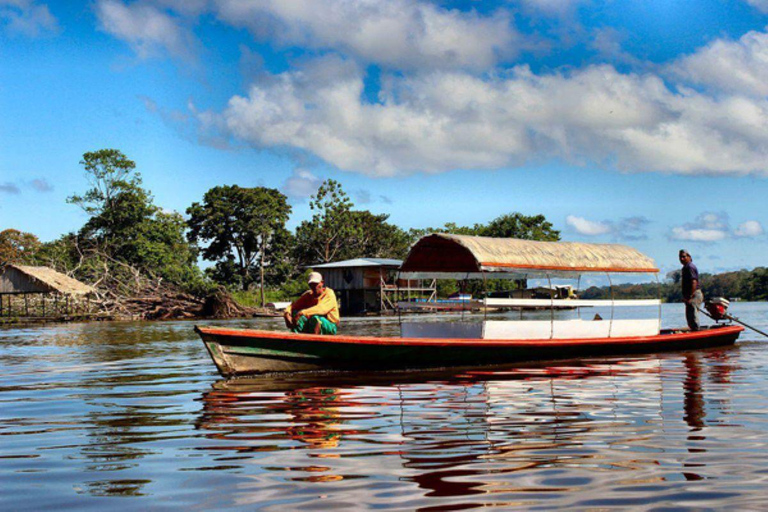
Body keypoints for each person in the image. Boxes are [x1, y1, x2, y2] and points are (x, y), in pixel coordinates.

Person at [679, 249, 703, 331]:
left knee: (693, 315)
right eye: (680, 257)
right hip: (689, 295)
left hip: (694, 294)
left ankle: (696, 332)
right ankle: (693, 329)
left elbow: (694, 282)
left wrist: (690, 296)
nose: (682, 259)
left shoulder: (690, 267)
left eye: (684, 257)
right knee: (689, 316)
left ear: (689, 257)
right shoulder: (685, 268)